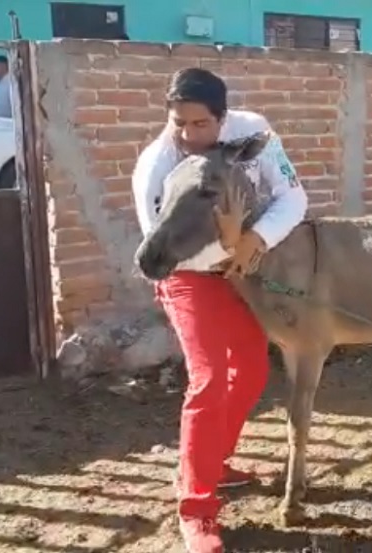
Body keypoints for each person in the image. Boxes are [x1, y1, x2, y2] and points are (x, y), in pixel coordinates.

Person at [131, 67, 308, 553]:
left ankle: (212, 460)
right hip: (188, 275)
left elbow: (293, 197)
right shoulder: (157, 164)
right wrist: (233, 245)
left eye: (200, 124)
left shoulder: (254, 132)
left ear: (222, 118)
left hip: (242, 268)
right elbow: (166, 247)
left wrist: (254, 239)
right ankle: (197, 507)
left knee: (251, 371)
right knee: (208, 378)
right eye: (178, 123)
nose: (188, 135)